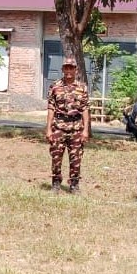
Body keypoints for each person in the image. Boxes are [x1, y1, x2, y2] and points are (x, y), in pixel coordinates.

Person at [45, 56, 90, 194]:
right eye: (66, 68)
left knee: (76, 158)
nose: (69, 71)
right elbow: (51, 108)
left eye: (71, 68)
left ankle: (74, 185)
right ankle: (56, 183)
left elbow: (85, 109)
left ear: (76, 70)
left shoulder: (82, 88)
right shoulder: (55, 86)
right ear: (62, 69)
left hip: (76, 128)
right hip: (59, 127)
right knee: (56, 157)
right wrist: (48, 129)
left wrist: (85, 130)